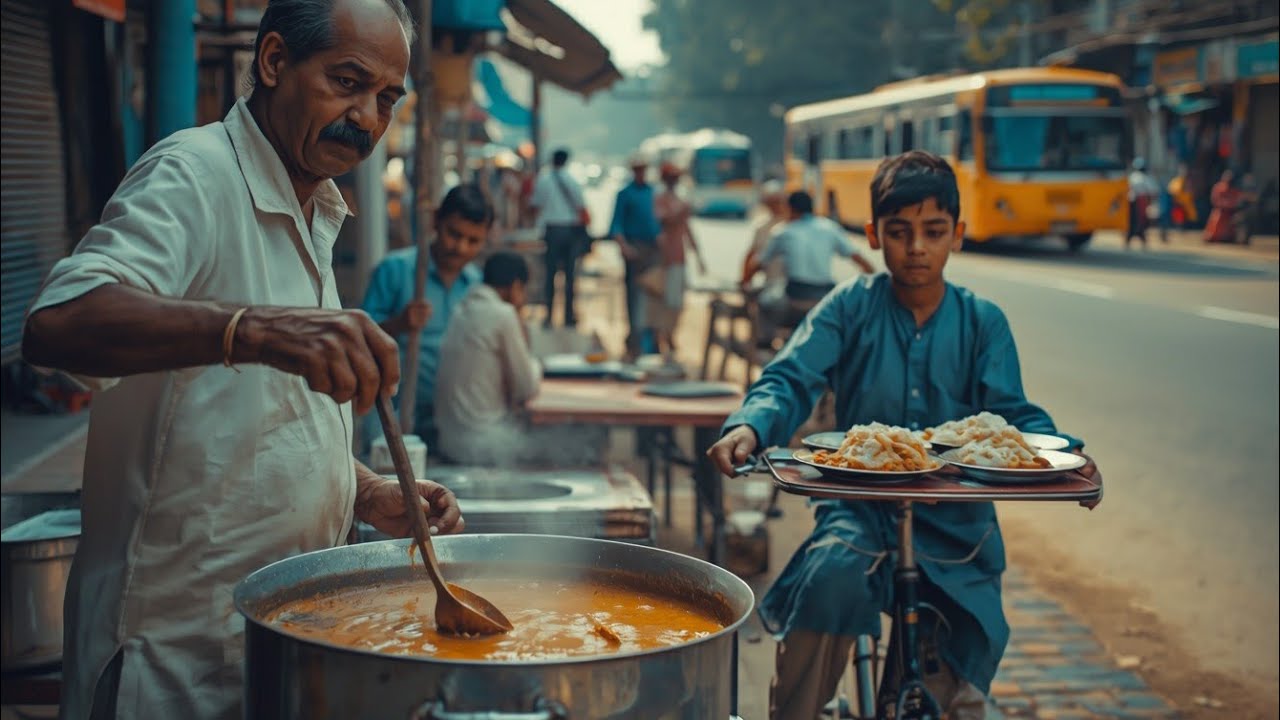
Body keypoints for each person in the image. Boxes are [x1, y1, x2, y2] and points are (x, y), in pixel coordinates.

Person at [18, 2, 465, 718]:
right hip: (172, 662)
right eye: (347, 82)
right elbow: (58, 322)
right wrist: (251, 329)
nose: (368, 118)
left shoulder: (315, 205)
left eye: (387, 98)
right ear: (274, 62)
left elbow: (253, 422)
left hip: (278, 643)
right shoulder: (194, 173)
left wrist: (364, 489)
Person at [708, 151, 1082, 720]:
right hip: (859, 510)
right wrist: (750, 425)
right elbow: (790, 377)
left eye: (933, 232)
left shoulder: (983, 322)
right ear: (872, 235)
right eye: (899, 232)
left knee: (957, 671)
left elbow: (1013, 417)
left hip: (958, 525)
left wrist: (1065, 460)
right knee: (828, 583)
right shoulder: (850, 307)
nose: (916, 248)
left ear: (957, 234)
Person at [361, 184, 490, 447]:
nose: (461, 248)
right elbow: (358, 338)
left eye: (473, 241)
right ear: (435, 221)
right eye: (454, 234)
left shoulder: (479, 286)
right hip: (394, 411)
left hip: (453, 417)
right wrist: (400, 323)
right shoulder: (395, 269)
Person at [745, 189, 875, 341]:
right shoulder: (829, 228)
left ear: (790, 209)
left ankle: (764, 344)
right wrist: (872, 285)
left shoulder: (783, 231)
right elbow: (861, 260)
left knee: (764, 303)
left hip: (795, 297)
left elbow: (757, 263)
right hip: (826, 297)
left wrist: (746, 281)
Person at [646, 162, 706, 362]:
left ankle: (670, 335)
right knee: (666, 302)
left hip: (680, 257)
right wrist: (680, 212)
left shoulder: (680, 200)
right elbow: (663, 222)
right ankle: (662, 337)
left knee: (678, 303)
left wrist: (699, 257)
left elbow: (687, 229)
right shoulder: (660, 200)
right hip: (665, 259)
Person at [609, 153, 662, 358]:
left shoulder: (653, 193)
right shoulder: (625, 194)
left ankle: (653, 341)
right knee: (633, 296)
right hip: (635, 250)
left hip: (653, 250)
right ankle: (635, 340)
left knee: (654, 295)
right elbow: (616, 225)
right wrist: (625, 247)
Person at [529, 147, 588, 327]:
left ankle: (549, 316)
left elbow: (535, 205)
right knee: (570, 276)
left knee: (550, 274)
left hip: (552, 230)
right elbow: (581, 206)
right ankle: (568, 316)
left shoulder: (543, 180)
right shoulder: (572, 180)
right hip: (569, 231)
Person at [1126, 157, 1160, 249]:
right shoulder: (1146, 178)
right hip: (1140, 203)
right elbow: (1154, 192)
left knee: (1133, 222)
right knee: (1140, 222)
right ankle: (1137, 239)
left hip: (1132, 203)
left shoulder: (1131, 177)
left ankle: (1130, 241)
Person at [1203, 169, 1243, 244]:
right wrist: (1225, 204)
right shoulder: (1218, 187)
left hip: (1231, 212)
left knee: (1239, 219)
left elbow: (1238, 200)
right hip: (1220, 211)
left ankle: (1231, 237)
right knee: (1217, 217)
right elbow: (1215, 200)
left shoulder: (1235, 189)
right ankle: (1212, 236)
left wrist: (1231, 206)